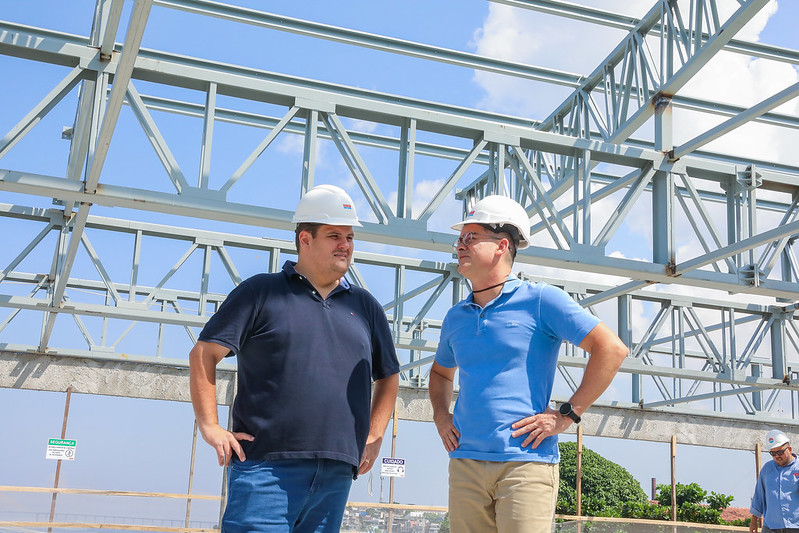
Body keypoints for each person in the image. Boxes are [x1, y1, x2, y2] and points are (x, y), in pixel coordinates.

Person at [189, 184, 400, 533]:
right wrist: (210, 427)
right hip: (266, 470)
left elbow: (389, 376)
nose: (345, 244)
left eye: (349, 236)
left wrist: (374, 437)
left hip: (335, 472)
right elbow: (204, 354)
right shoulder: (261, 292)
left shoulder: (365, 308)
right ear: (305, 238)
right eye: (334, 235)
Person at [428, 195, 629, 533]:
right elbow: (440, 373)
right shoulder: (455, 317)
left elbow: (611, 349)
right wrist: (439, 413)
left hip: (526, 464)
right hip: (465, 462)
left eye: (470, 237)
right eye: (459, 239)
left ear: (501, 245)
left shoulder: (540, 300)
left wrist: (567, 415)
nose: (459, 245)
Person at [749, 429, 799, 533]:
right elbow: (759, 496)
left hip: (795, 526)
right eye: (773, 453)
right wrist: (754, 521)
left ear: (789, 449)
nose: (777, 456)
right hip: (771, 526)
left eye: (780, 452)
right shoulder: (767, 469)